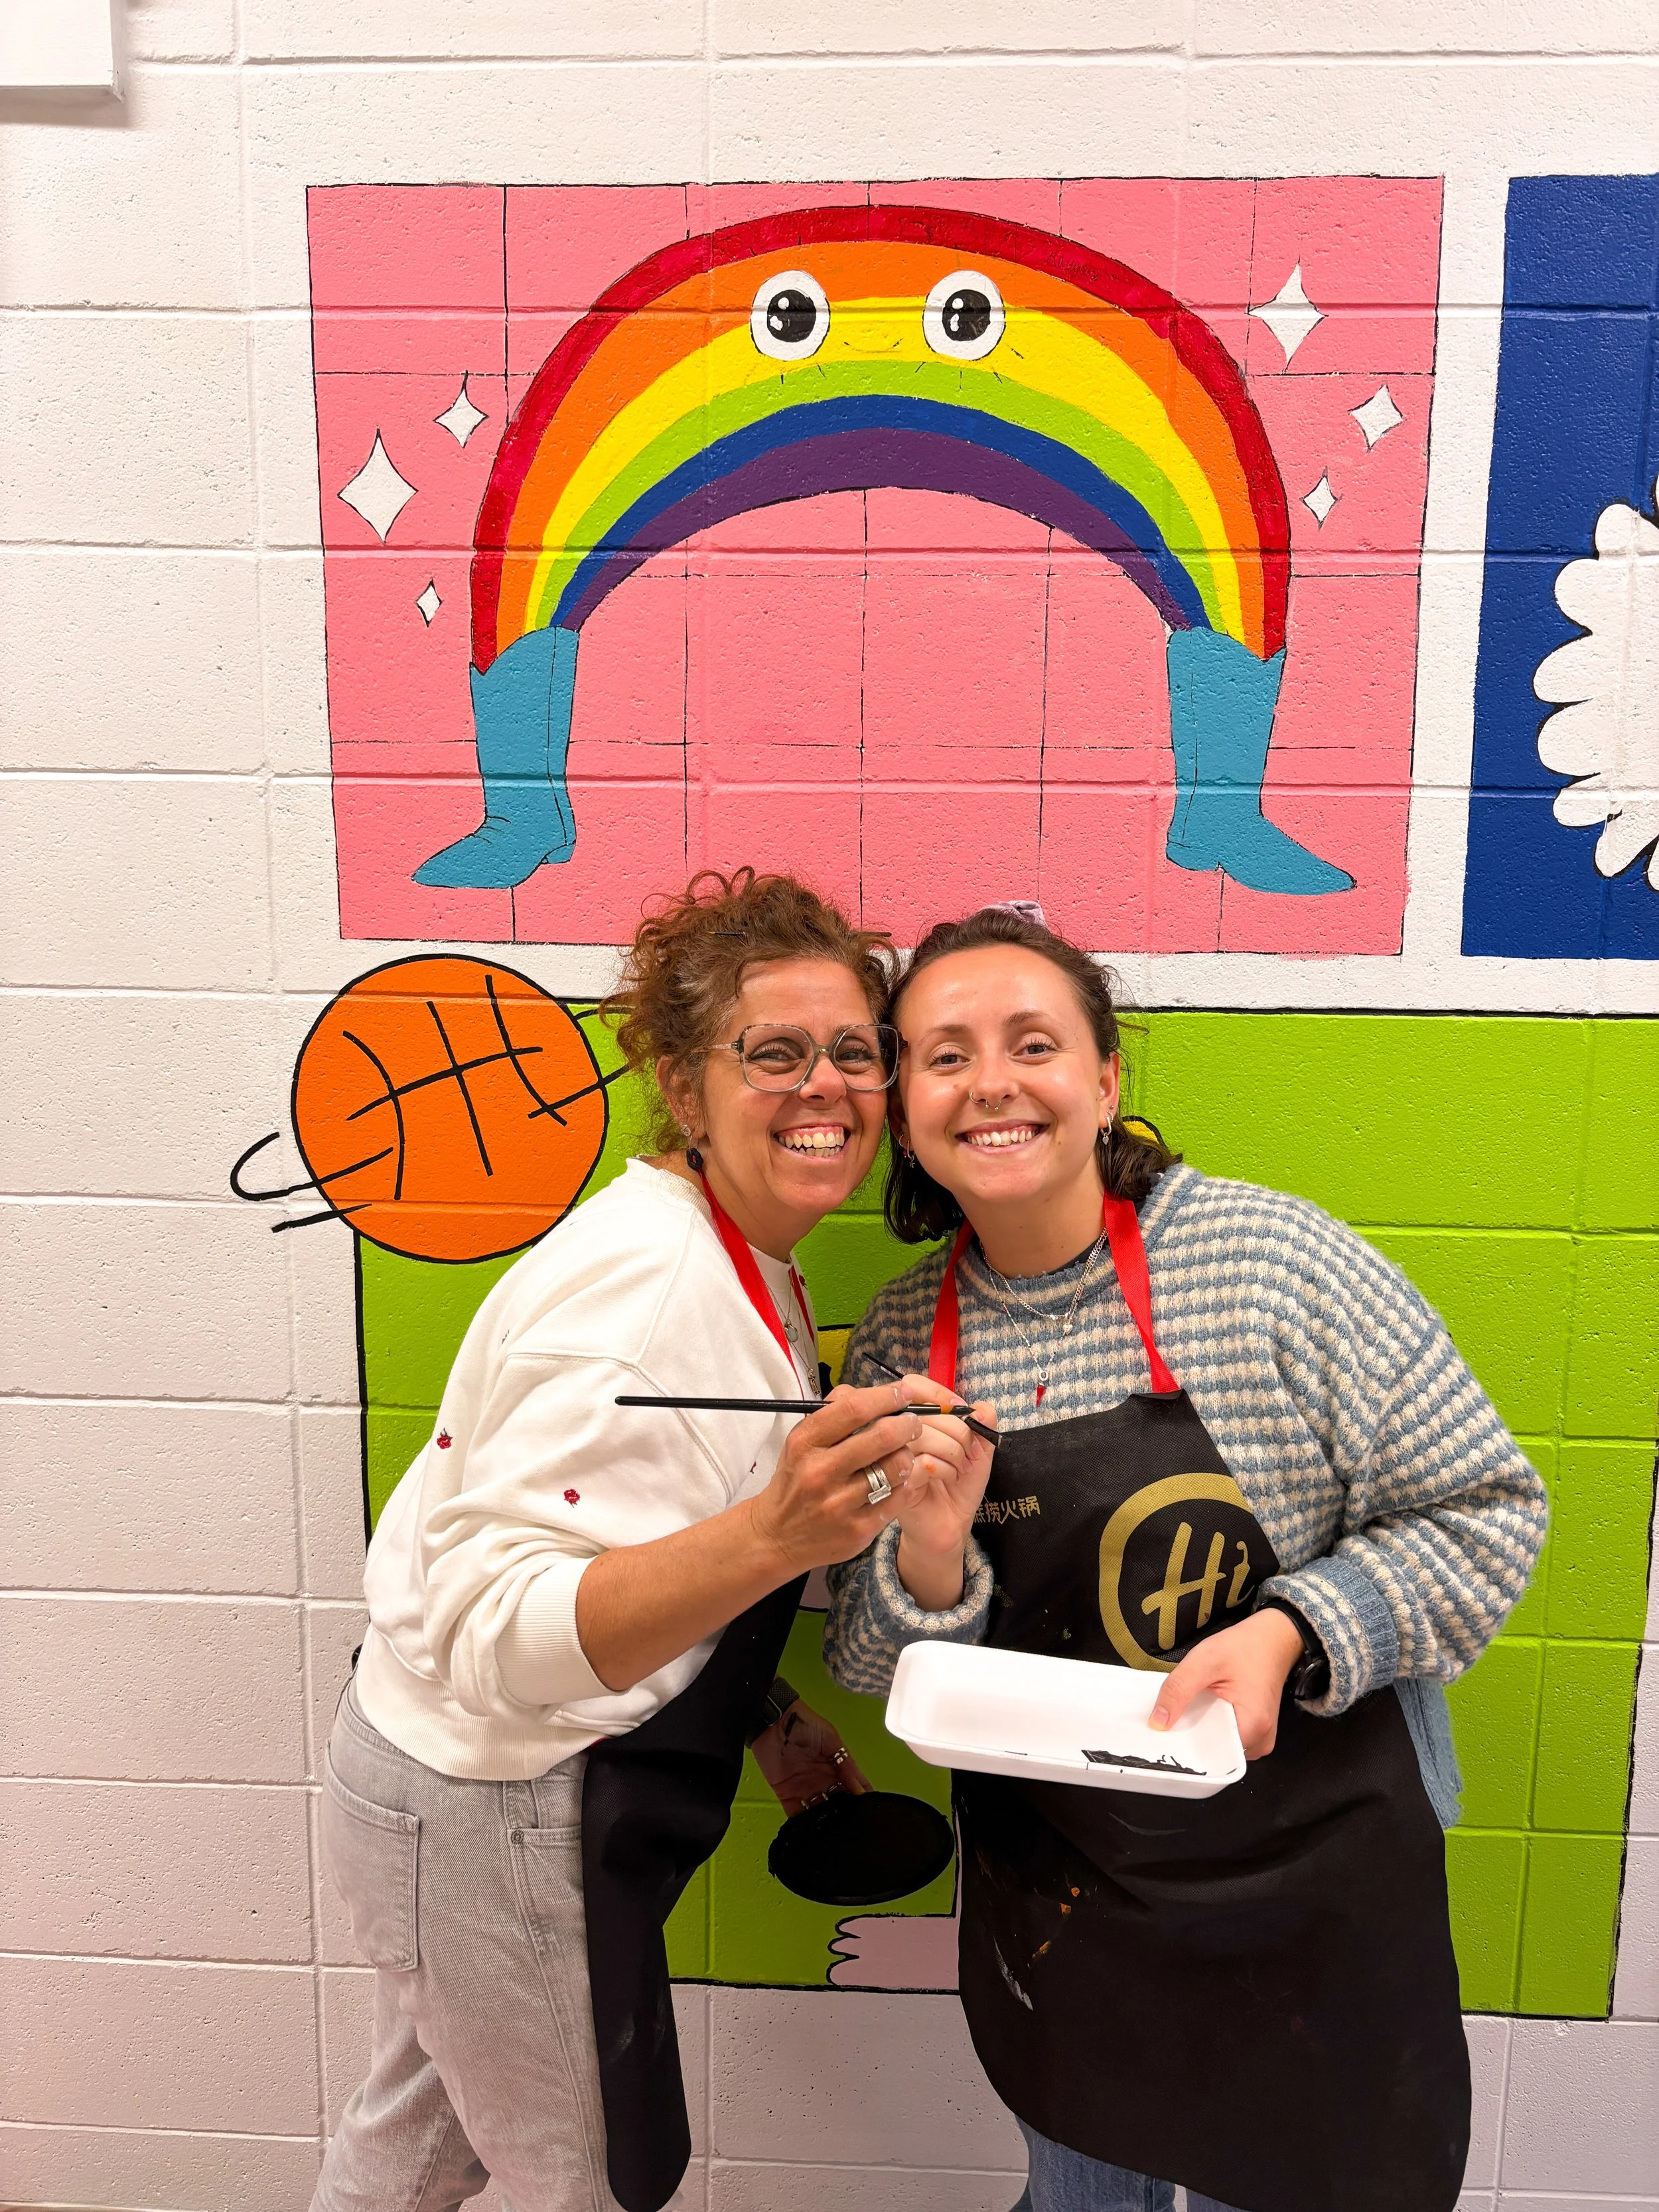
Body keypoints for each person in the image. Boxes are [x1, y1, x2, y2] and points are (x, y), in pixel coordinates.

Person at [825, 902, 1548, 2212]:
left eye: (1030, 1042)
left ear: (1103, 1080)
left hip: (1310, 1888)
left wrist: (1289, 1629)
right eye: (942, 1054)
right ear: (907, 1107)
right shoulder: (897, 1345)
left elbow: (1486, 1509)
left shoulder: (1265, 1264)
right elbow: (877, 1666)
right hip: (1067, 1905)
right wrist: (928, 1560)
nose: (990, 1081)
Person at [313, 870, 977, 2212]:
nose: (824, 1087)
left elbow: (631, 1525)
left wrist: (763, 1702)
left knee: (416, 2143)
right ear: (682, 1085)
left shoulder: (734, 1255)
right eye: (772, 1053)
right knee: (587, 2181)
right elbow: (503, 1631)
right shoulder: (649, 1288)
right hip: (495, 1805)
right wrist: (770, 1534)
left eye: (853, 1051)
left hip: (443, 1785)